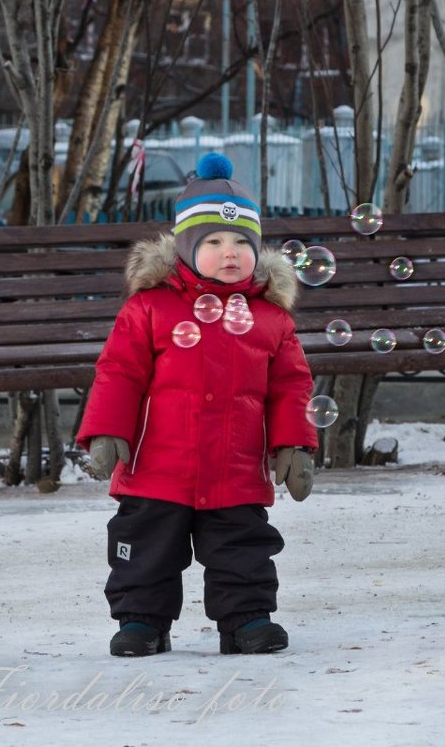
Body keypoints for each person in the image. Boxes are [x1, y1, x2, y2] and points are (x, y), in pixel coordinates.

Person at [77, 152, 318, 657]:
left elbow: (291, 386)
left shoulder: (270, 319)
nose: (229, 252)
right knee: (145, 547)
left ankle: (247, 619)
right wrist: (106, 431)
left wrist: (293, 443)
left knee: (242, 547)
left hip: (234, 468)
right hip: (155, 466)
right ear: (185, 248)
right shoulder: (148, 308)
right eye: (213, 242)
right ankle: (142, 622)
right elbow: (118, 372)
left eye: (240, 242)